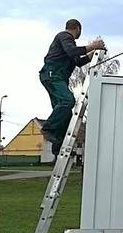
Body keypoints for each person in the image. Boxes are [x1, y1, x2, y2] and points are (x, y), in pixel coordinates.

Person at [39, 19, 105, 155]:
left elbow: (78, 61)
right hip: (53, 75)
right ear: (77, 28)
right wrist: (93, 46)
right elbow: (72, 51)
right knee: (67, 101)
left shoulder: (68, 44)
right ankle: (48, 128)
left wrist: (90, 55)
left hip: (55, 78)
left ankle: (58, 147)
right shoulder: (64, 36)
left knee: (65, 114)